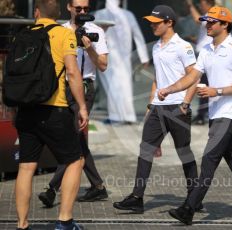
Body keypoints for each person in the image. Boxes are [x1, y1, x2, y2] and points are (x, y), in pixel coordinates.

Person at [158, 6, 232, 225]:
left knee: (209, 159)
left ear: (225, 24)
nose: (207, 25)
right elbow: (193, 77)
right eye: (206, 21)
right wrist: (170, 89)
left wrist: (216, 91)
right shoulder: (206, 49)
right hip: (215, 114)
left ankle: (189, 208)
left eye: (211, 22)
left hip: (228, 114)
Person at [113, 5, 202, 214]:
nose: (152, 26)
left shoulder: (183, 46)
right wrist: (150, 105)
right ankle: (137, 198)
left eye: (156, 22)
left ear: (169, 22)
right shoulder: (156, 47)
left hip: (178, 107)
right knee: (145, 150)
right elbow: (157, 79)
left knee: (184, 153)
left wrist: (185, 105)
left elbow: (194, 78)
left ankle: (195, 198)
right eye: (151, 22)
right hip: (158, 108)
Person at [14, 0, 88, 229]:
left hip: (25, 109)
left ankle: (22, 224)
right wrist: (82, 106)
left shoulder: (21, 35)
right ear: (57, 13)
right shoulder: (63, 34)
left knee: (26, 167)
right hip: (54, 108)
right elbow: (73, 74)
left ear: (36, 12)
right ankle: (64, 221)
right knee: (75, 161)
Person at [37, 0, 109, 208]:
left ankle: (52, 188)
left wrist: (90, 50)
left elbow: (103, 65)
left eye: (86, 9)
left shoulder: (95, 31)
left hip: (84, 87)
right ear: (69, 7)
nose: (82, 12)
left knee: (72, 136)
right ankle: (97, 186)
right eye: (78, 9)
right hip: (62, 87)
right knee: (77, 140)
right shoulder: (61, 30)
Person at [94, 0, 149, 124]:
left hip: (107, 55)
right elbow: (138, 35)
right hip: (121, 56)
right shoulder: (127, 14)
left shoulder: (100, 13)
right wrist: (143, 56)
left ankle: (117, 116)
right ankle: (128, 116)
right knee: (124, 85)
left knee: (112, 85)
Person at [186, 0, 215, 125]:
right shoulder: (209, 14)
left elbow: (198, 20)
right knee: (201, 84)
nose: (200, 5)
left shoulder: (212, 14)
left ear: (209, 3)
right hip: (203, 54)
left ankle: (203, 114)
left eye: (202, 3)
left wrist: (190, 5)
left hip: (208, 55)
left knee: (203, 83)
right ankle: (202, 113)